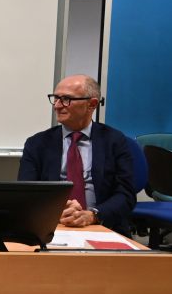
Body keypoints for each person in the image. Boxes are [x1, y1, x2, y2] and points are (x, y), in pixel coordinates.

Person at [18, 74, 134, 235]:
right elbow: (26, 193)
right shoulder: (37, 144)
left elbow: (126, 195)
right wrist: (56, 210)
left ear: (92, 104)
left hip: (102, 225)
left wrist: (93, 215)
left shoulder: (114, 141)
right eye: (55, 98)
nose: (57, 105)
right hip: (51, 225)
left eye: (66, 99)